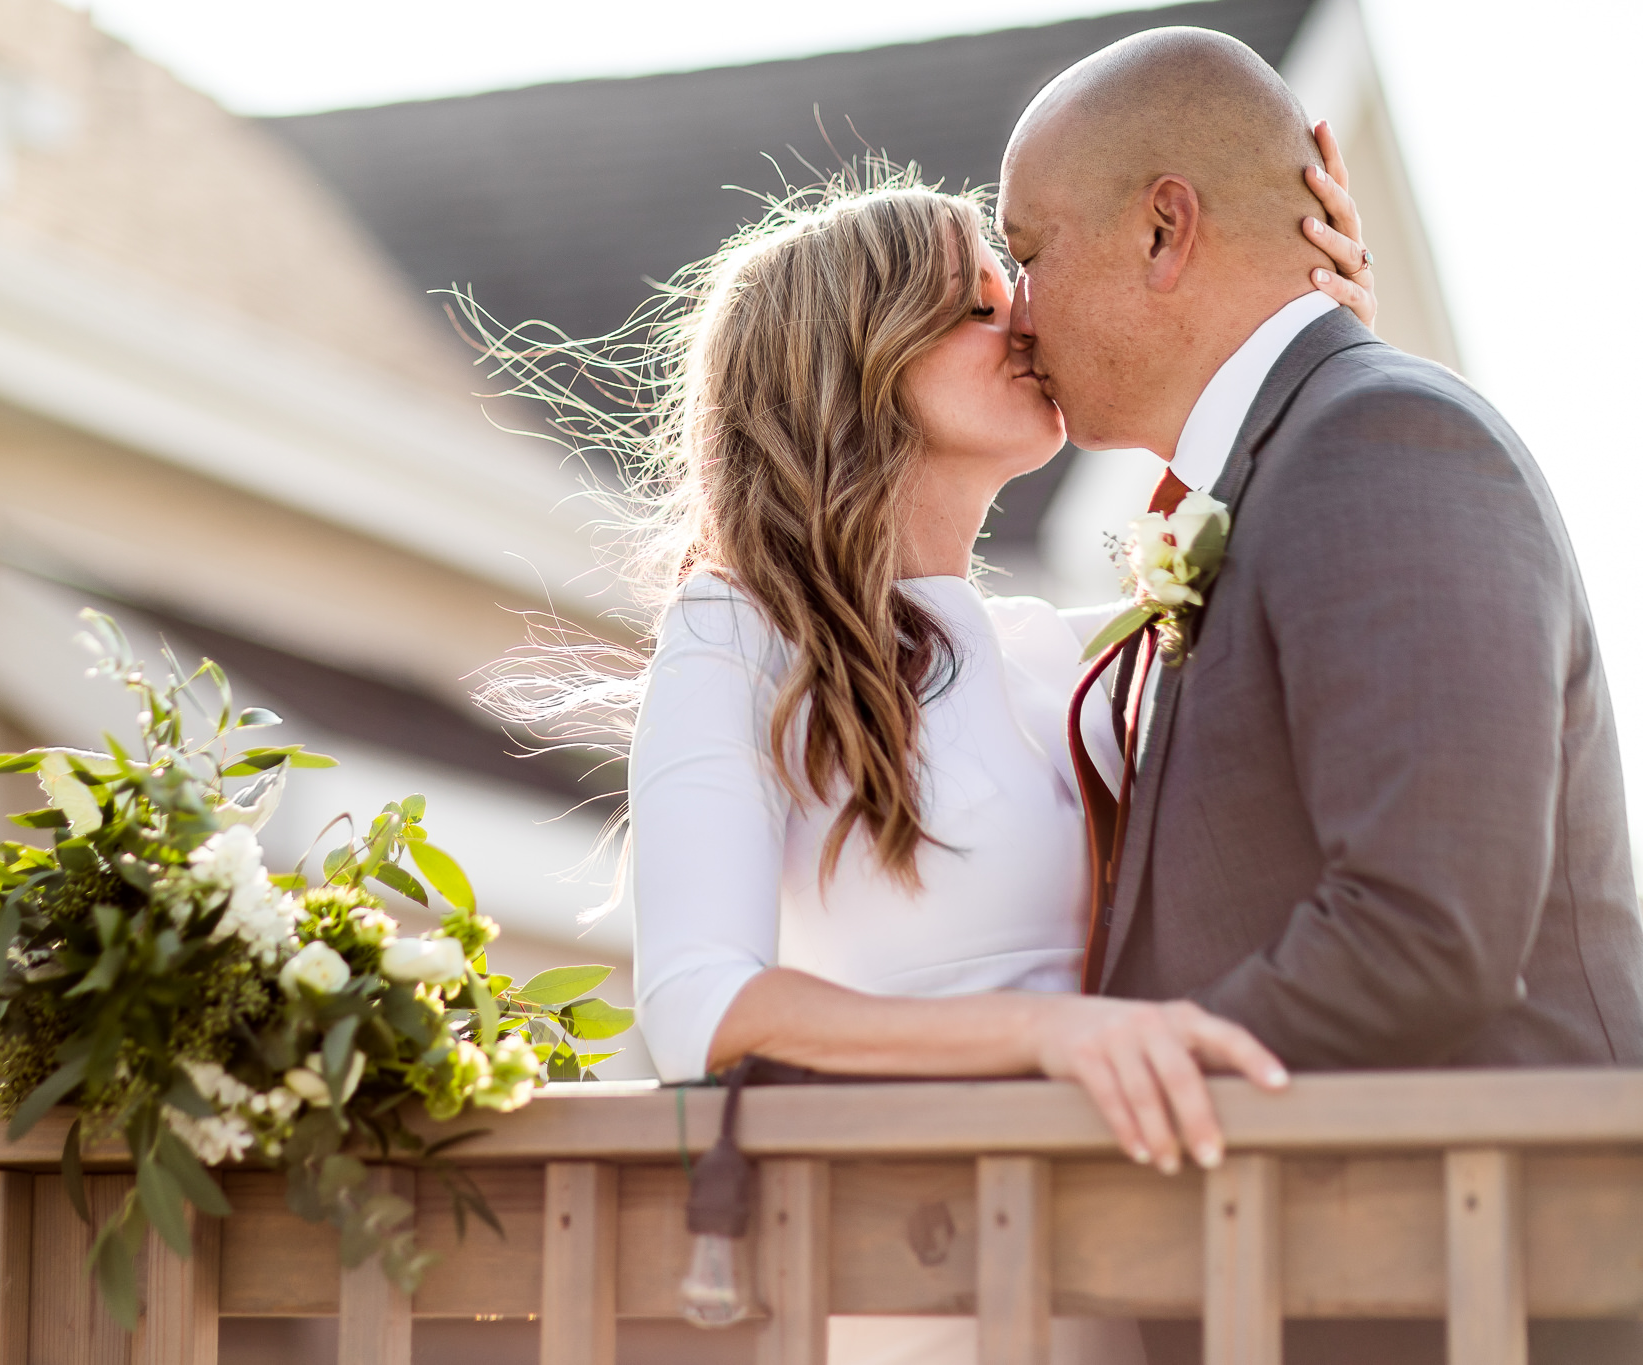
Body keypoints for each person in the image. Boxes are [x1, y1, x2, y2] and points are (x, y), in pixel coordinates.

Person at [472, 131, 1362, 1364]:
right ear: (860, 358)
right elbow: (697, 1006)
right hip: (923, 1273)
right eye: (979, 303)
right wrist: (1049, 1033)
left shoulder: (1063, 653)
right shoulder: (737, 636)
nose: (1030, 323)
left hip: (1133, 1260)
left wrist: (1297, 354)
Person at [997, 27, 1643, 1365]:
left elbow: (1427, 925)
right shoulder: (1296, 462)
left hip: (1464, 1299)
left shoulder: (1383, 444)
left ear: (1165, 230)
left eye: (1030, 248)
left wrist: (1104, 1091)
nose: (1015, 306)